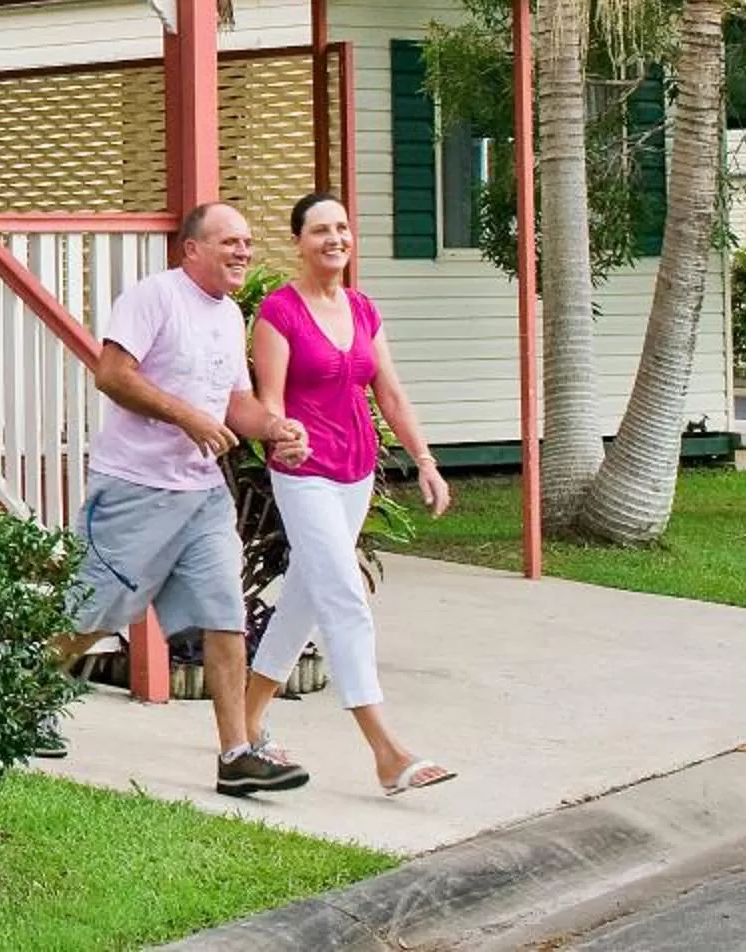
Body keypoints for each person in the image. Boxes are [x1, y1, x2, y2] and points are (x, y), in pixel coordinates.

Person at [52, 201, 314, 797]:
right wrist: (188, 418)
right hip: (133, 490)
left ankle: (236, 753)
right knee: (94, 615)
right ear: (191, 248)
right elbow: (112, 375)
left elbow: (235, 405)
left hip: (200, 494)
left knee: (226, 616)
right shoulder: (154, 297)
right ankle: (16, 697)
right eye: (229, 241)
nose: (243, 251)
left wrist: (276, 427)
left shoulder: (227, 316)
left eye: (247, 242)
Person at [242, 189, 455, 795]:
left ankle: (246, 722)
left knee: (304, 602)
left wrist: (426, 461)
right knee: (344, 597)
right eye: (319, 231)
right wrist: (282, 436)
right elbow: (271, 400)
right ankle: (386, 751)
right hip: (304, 473)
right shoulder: (279, 314)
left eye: (341, 228)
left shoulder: (363, 310)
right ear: (298, 242)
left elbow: (389, 393)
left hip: (356, 470)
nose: (334, 238)